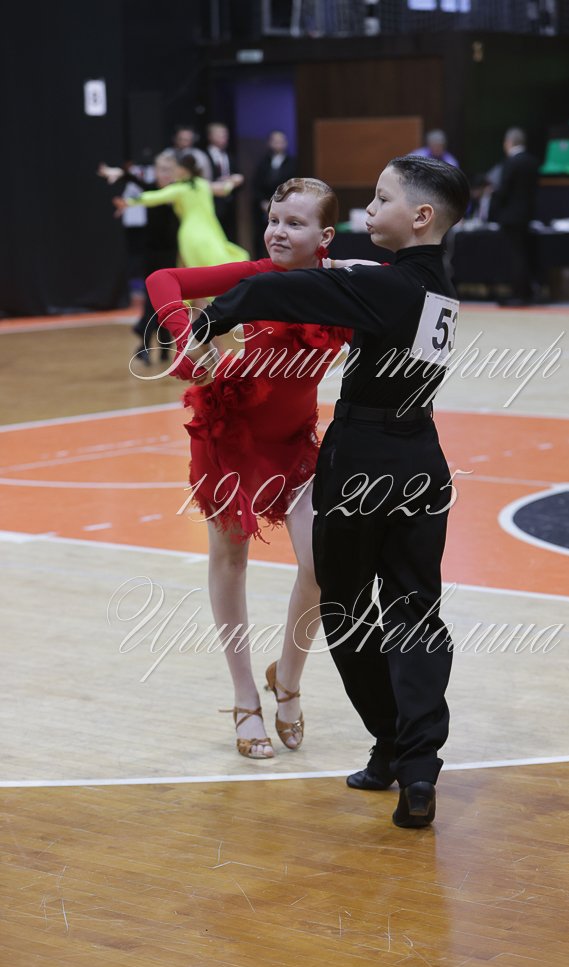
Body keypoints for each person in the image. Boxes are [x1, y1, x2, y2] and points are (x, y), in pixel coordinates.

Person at [180, 157, 470, 829]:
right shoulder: (440, 289)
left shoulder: (387, 287)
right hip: (422, 460)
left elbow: (285, 292)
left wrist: (214, 316)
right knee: (417, 613)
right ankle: (414, 765)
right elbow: (342, 285)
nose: (371, 209)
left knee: (344, 607)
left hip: (364, 460)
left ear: (421, 216)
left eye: (382, 199)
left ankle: (392, 742)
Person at [146, 178, 352, 760]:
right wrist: (189, 340)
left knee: (321, 564)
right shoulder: (256, 275)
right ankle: (244, 697)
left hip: (294, 444)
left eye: (294, 223)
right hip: (232, 437)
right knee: (230, 558)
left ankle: (287, 678)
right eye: (273, 220)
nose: (278, 232)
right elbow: (163, 281)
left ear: (325, 236)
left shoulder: (343, 282)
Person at [99, 154, 180, 362]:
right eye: (161, 170)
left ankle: (157, 344)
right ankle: (149, 345)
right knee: (152, 300)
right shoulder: (150, 187)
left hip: (170, 253)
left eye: (169, 170)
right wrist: (115, 173)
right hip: (151, 252)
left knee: (166, 302)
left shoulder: (178, 191)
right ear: (156, 172)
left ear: (175, 173)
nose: (165, 174)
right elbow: (132, 178)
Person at [114, 153, 247, 269]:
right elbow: (224, 189)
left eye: (175, 168)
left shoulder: (180, 189)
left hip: (191, 234)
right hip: (211, 232)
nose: (172, 171)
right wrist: (232, 182)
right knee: (216, 266)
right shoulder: (202, 184)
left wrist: (128, 202)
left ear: (183, 170)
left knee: (195, 273)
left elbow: (154, 197)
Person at [493, 127, 539, 306]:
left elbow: (504, 190)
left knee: (516, 255)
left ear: (508, 142)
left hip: (511, 216)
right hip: (527, 215)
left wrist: (495, 208)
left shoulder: (511, 162)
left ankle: (517, 293)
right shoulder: (532, 162)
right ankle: (527, 291)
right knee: (525, 253)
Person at [252, 130, 298, 257]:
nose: (278, 144)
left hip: (286, 205)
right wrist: (263, 202)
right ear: (269, 143)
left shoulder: (293, 162)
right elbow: (256, 185)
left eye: (281, 141)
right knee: (262, 236)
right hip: (264, 207)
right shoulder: (263, 162)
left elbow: (294, 185)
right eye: (275, 141)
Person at [204, 122, 242, 242]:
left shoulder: (229, 156)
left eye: (225, 134)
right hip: (210, 204)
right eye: (220, 134)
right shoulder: (203, 156)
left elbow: (239, 176)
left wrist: (236, 180)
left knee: (229, 238)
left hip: (229, 204)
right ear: (210, 136)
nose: (224, 137)